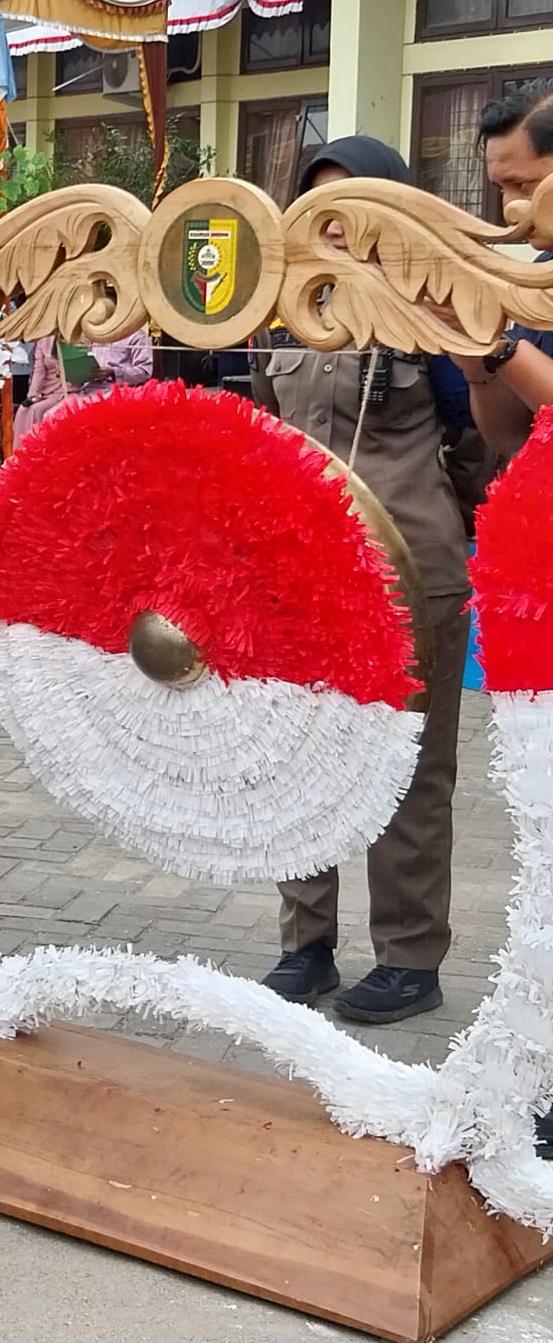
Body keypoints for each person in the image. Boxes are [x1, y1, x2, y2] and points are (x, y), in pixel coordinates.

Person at [250, 136, 470, 1026]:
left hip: (413, 570)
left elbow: (482, 435)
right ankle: (305, 945)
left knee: (413, 769)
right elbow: (268, 423)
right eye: (317, 209)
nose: (333, 228)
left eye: (351, 207)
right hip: (307, 572)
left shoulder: (439, 312)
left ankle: (411, 958)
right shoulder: (284, 314)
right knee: (302, 757)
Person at [447, 78, 553, 457]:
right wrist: (476, 352)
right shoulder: (539, 275)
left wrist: (502, 349)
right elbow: (511, 439)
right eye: (500, 188)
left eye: (523, 185)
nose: (509, 208)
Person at [13, 330, 153, 440]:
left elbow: (145, 371)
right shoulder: (97, 334)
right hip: (89, 388)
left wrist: (113, 372)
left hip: (116, 390)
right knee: (51, 416)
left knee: (83, 418)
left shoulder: (137, 337)